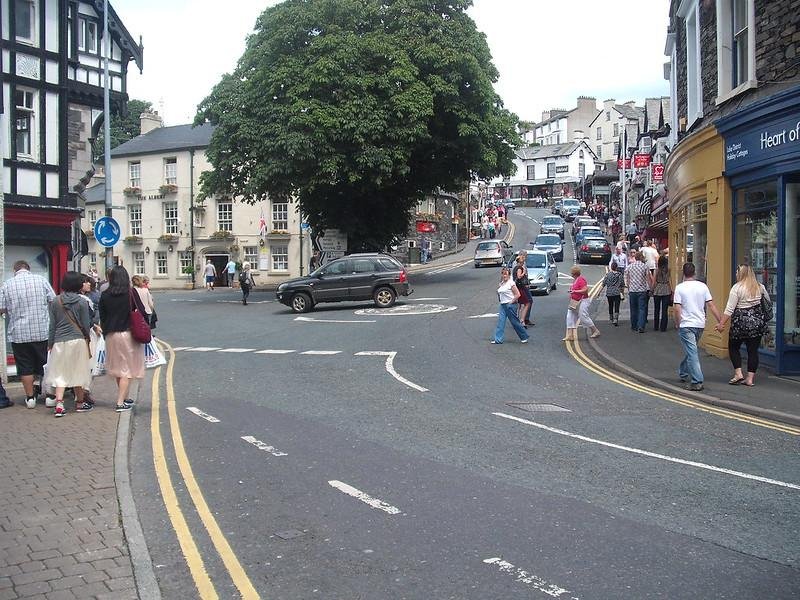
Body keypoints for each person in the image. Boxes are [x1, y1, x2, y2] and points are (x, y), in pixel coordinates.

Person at [0, 260, 56, 408]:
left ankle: (30, 398)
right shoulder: (41, 280)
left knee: (25, 366)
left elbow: (1, 308)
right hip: (42, 332)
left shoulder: (7, 284)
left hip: (19, 334)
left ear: (15, 270)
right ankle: (50, 396)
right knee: (46, 364)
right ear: (28, 269)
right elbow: (54, 300)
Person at [45, 272, 93, 418]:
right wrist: (88, 339)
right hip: (78, 340)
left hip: (59, 340)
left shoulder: (55, 301)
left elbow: (52, 325)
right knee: (78, 371)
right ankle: (79, 403)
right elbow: (86, 324)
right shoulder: (82, 302)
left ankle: (59, 404)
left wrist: (50, 343)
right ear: (78, 285)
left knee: (60, 372)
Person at [715, 264, 770, 387]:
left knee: (733, 347)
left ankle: (738, 373)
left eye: (737, 272)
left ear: (742, 274)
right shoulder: (759, 287)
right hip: (757, 323)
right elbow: (768, 302)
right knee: (753, 351)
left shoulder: (737, 288)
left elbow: (729, 309)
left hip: (740, 323)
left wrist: (721, 324)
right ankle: (750, 379)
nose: (735, 274)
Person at [99, 266, 144, 412]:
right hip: (128, 334)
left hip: (111, 335)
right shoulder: (131, 293)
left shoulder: (105, 295)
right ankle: (120, 402)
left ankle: (124, 397)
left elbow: (103, 316)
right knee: (127, 370)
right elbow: (142, 311)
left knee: (118, 369)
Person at [673, 262, 722, 391]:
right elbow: (711, 305)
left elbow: (677, 309)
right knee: (692, 350)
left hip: (686, 324)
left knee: (692, 352)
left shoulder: (680, 288)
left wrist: (677, 323)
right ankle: (683, 372)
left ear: (683, 273)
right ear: (694, 273)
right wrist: (720, 321)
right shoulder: (703, 287)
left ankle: (697, 381)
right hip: (700, 324)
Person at [491, 267, 529, 344]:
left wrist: (511, 302)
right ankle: (498, 339)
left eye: (506, 274)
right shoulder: (502, 283)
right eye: (503, 274)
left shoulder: (511, 283)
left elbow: (518, 294)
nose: (504, 276)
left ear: (509, 275)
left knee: (514, 322)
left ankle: (524, 336)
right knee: (500, 322)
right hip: (503, 305)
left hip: (510, 305)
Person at [563, 265, 600, 341]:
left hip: (582, 301)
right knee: (569, 316)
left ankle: (595, 331)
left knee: (583, 317)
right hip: (574, 302)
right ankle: (570, 335)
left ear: (574, 273)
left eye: (572, 273)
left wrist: (575, 291)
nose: (571, 274)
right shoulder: (575, 280)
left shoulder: (581, 280)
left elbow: (585, 290)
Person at [625, 251, 650, 333]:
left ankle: (634, 326)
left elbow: (627, 279)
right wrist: (649, 288)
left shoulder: (630, 267)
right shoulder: (645, 267)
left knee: (633, 309)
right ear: (641, 257)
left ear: (635, 258)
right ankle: (641, 326)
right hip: (642, 290)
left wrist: (629, 287)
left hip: (632, 290)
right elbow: (647, 278)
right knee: (642, 309)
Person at [649, 255, 672, 332]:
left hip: (658, 290)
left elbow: (654, 281)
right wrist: (671, 290)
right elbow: (670, 281)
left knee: (657, 309)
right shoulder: (669, 270)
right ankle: (663, 327)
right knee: (664, 310)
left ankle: (656, 326)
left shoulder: (656, 270)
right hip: (666, 290)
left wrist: (651, 290)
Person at [513, 252, 533, 327]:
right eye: (523, 262)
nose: (523, 263)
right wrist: (523, 272)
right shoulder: (519, 268)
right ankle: (522, 320)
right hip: (521, 288)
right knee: (527, 303)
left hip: (518, 287)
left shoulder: (515, 267)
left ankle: (519, 319)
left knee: (520, 304)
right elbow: (519, 277)